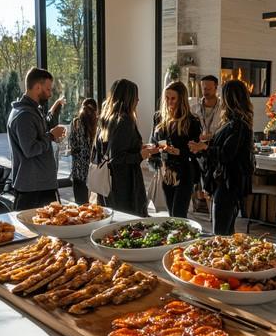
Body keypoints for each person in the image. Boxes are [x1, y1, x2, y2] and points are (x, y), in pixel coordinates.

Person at [189, 79, 254, 235]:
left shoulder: (238, 124)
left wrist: (204, 147)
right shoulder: (234, 122)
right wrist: (207, 144)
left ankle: (220, 259)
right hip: (228, 182)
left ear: (229, 98)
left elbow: (226, 155)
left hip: (228, 183)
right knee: (226, 231)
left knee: (220, 233)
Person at [93, 79, 158, 216]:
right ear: (128, 98)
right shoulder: (124, 121)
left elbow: (109, 150)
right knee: (127, 222)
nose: (138, 100)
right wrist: (141, 155)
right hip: (124, 185)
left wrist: (139, 148)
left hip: (108, 183)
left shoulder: (107, 119)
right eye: (136, 96)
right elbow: (117, 158)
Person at [7, 67, 66, 211]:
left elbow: (39, 134)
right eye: (48, 89)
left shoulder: (32, 111)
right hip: (33, 189)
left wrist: (51, 134)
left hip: (39, 184)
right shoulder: (24, 115)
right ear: (37, 87)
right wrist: (51, 135)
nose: (50, 94)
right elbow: (30, 149)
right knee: (31, 231)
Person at [150, 81, 201, 218]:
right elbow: (153, 142)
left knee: (179, 213)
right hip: (166, 170)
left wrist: (179, 152)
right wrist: (156, 152)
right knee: (171, 213)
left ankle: (182, 238)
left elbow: (196, 151)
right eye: (166, 98)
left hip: (185, 170)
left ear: (181, 99)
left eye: (173, 98)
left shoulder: (192, 121)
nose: (169, 102)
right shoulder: (158, 117)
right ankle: (177, 238)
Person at [69, 98, 98, 204]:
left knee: (80, 203)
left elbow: (72, 144)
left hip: (78, 169)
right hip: (93, 168)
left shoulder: (75, 122)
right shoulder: (96, 122)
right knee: (93, 203)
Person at [190, 75, 221, 141]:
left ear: (216, 88)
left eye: (209, 89)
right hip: (197, 144)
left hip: (216, 145)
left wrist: (212, 136)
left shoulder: (223, 108)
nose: (205, 92)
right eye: (204, 89)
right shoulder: (193, 108)